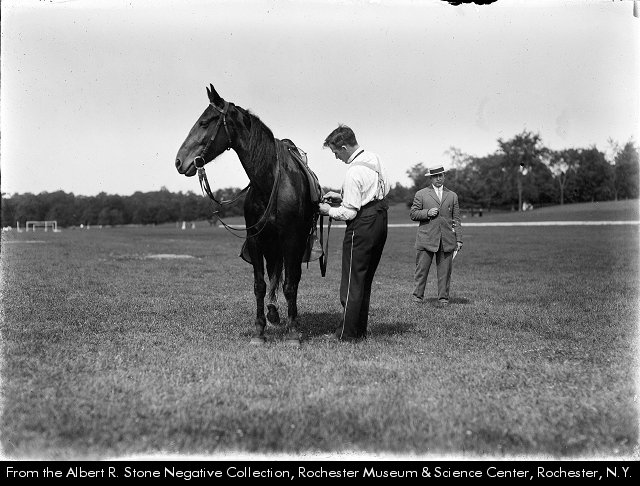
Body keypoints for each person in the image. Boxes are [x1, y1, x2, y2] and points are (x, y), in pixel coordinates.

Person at [318, 125, 390, 342]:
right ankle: (359, 330)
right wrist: (342, 195)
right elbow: (375, 191)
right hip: (380, 220)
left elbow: (349, 212)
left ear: (343, 147)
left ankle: (347, 334)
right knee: (364, 279)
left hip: (362, 226)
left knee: (352, 280)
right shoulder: (374, 159)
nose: (336, 157)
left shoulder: (353, 172)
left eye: (335, 152)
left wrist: (328, 210)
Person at [409, 165, 463, 306]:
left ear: (444, 176)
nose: (438, 178)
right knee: (421, 271)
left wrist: (459, 239)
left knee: (445, 273)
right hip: (426, 239)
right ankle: (417, 298)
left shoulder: (452, 195)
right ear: (431, 178)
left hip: (447, 240)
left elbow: (456, 219)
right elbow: (413, 214)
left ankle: (443, 299)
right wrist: (427, 213)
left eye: (440, 175)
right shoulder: (421, 194)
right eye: (435, 176)